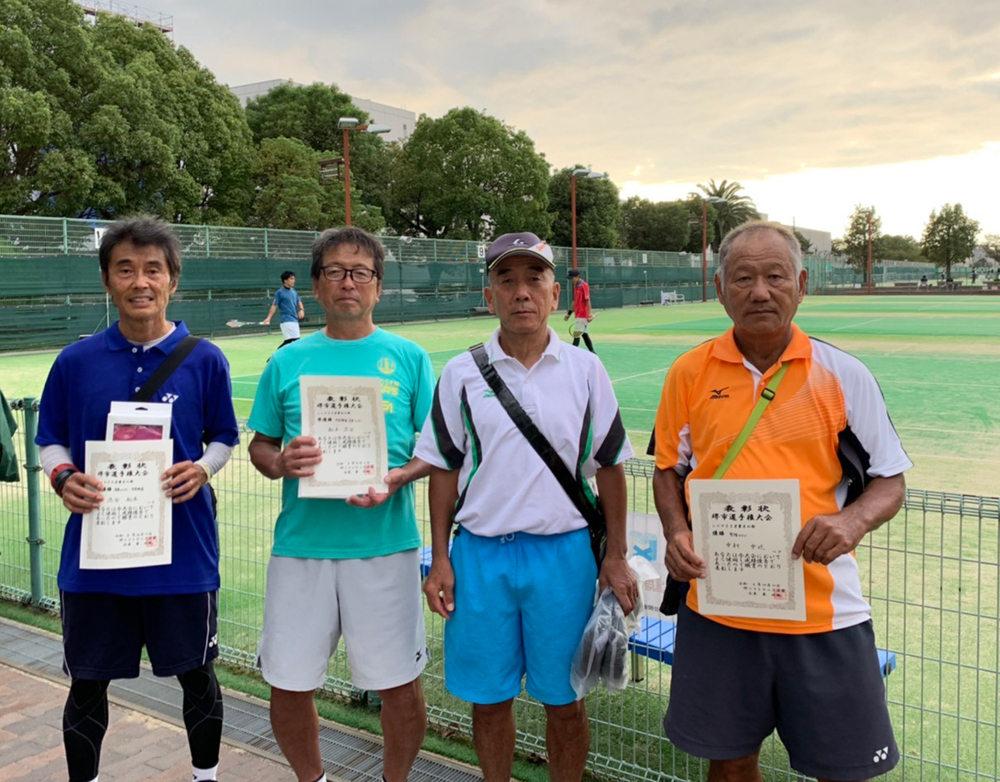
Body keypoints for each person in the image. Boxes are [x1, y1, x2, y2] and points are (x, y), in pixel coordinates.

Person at [651, 221, 911, 781]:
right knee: (729, 763)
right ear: (720, 289)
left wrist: (852, 521)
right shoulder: (688, 373)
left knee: (843, 769)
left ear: (802, 284)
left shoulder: (843, 373)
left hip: (824, 613)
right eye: (743, 278)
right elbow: (667, 468)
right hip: (718, 606)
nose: (760, 292)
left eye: (775, 276)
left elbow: (891, 480)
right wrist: (675, 531)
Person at [419, 231, 638, 782]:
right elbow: (444, 469)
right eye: (507, 280)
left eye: (534, 279)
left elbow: (611, 467)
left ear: (555, 293)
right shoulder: (460, 373)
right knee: (489, 700)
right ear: (488, 295)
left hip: (564, 557)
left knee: (565, 701)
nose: (522, 292)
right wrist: (440, 558)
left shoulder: (586, 371)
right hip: (480, 557)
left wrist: (616, 556)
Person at [35, 215, 240, 782]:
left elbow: (224, 436)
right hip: (97, 556)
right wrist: (63, 477)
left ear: (173, 280)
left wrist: (202, 468)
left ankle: (205, 778)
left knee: (197, 675)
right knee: (86, 682)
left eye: (153, 269)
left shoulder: (205, 359)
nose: (140, 282)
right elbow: (49, 438)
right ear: (107, 280)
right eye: (125, 269)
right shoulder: (74, 361)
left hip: (183, 554)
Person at [247, 227, 434, 782]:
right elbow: (260, 445)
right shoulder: (288, 360)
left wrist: (399, 477)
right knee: (288, 683)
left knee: (400, 686)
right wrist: (281, 462)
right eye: (334, 271)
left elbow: (438, 449)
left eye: (360, 272)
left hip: (385, 545)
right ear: (315, 285)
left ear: (378, 285)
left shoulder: (409, 358)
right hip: (301, 546)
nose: (347, 282)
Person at [262, 270, 305, 349]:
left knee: (292, 341)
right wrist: (268, 318)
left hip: (294, 320)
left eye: (294, 279)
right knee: (294, 341)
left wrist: (301, 310)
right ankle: (277, 354)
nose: (293, 281)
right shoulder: (279, 292)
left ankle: (278, 353)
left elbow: (299, 301)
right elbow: (274, 306)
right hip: (286, 320)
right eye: (291, 279)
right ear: (285, 280)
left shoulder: (294, 291)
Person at [563, 268, 596, 352]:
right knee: (584, 335)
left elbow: (587, 300)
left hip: (582, 315)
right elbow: (575, 301)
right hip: (578, 314)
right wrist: (569, 313)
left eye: (572, 278)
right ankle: (593, 353)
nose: (571, 280)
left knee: (576, 335)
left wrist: (589, 314)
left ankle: (572, 354)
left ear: (578, 276)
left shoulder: (584, 285)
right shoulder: (576, 287)